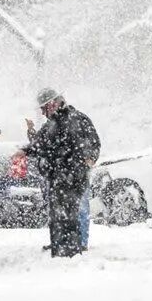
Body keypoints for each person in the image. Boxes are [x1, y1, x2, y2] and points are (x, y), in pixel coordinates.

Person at [16, 89, 100, 258]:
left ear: (53, 103)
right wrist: (25, 151)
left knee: (72, 213)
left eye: (44, 108)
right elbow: (41, 143)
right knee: (58, 215)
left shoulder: (77, 119)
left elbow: (93, 142)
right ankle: (60, 246)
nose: (42, 112)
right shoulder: (51, 124)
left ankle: (73, 248)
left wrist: (89, 159)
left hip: (72, 177)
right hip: (57, 178)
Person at [26, 118, 91, 251]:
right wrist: (31, 131)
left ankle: (81, 242)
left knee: (80, 209)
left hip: (76, 176)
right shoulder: (51, 127)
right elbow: (39, 143)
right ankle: (60, 240)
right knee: (60, 211)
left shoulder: (76, 127)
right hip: (58, 177)